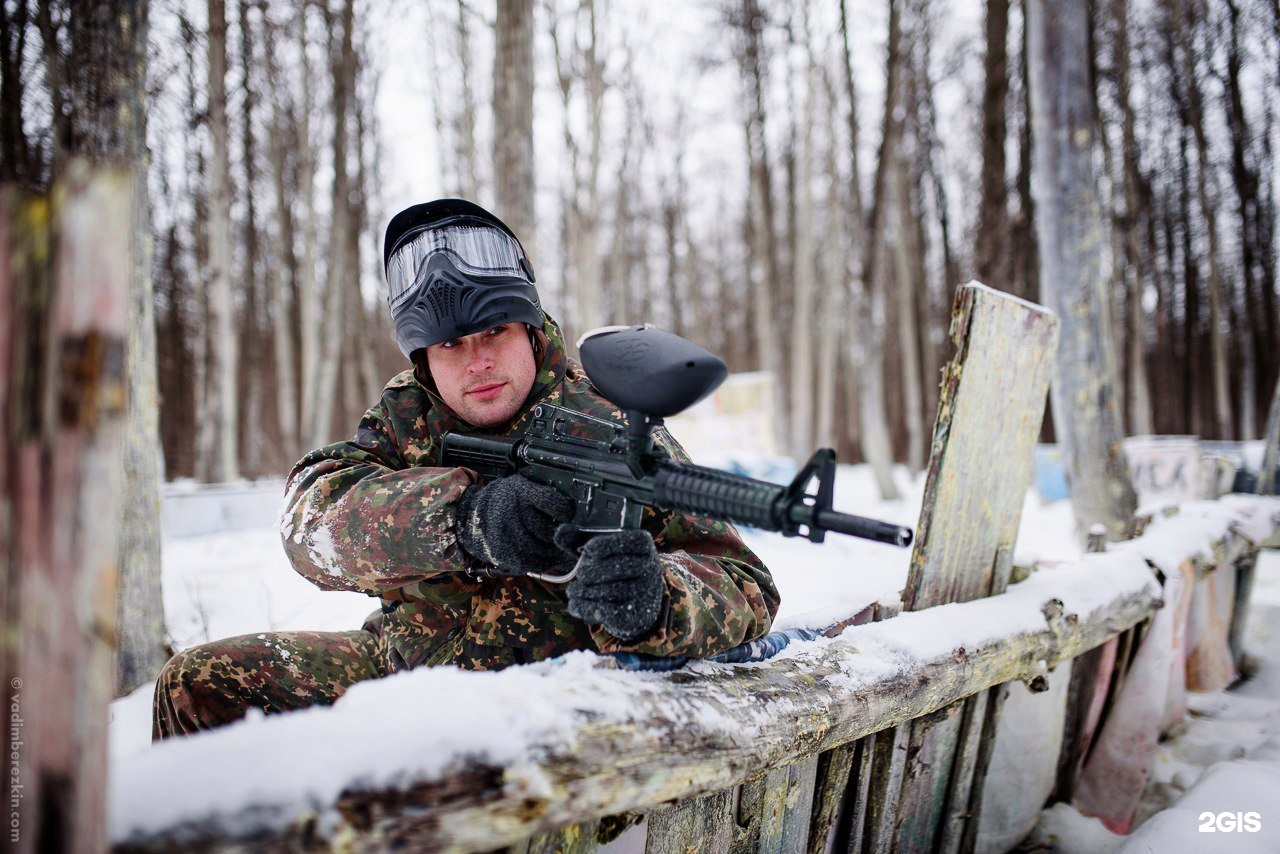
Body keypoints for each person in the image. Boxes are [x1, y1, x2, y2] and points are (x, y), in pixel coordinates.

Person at [152, 198, 779, 740]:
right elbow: (311, 524)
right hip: (406, 674)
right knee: (195, 685)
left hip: (560, 699)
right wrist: (465, 518)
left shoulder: (608, 419)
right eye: (451, 345)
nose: (477, 362)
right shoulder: (408, 414)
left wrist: (654, 600)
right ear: (425, 354)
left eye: (494, 332)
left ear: (530, 329)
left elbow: (745, 585)